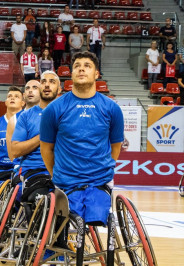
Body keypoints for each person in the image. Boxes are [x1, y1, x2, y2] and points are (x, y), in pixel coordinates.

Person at [40, 51, 124, 232]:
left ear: (96, 74)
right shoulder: (54, 109)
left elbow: (116, 146)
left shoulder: (112, 108)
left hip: (99, 181)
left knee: (97, 219)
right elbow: (46, 148)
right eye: (77, 66)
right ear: (71, 73)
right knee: (64, 226)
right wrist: (57, 174)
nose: (81, 69)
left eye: (87, 66)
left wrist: (103, 167)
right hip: (66, 182)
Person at [11, 70, 61, 202]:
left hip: (63, 170)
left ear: (59, 88)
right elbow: (15, 151)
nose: (47, 85)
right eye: (43, 82)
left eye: (52, 82)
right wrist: (43, 136)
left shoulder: (67, 113)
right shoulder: (26, 116)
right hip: (35, 171)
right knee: (40, 202)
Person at [0, 87, 25, 190]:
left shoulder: (27, 121)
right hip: (3, 167)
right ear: (6, 102)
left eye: (16, 97)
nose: (12, 98)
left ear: (23, 102)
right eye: (9, 96)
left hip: (22, 166)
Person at [6, 80, 41, 161]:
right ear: (24, 95)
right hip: (23, 168)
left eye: (35, 88)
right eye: (27, 88)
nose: (30, 90)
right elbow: (12, 154)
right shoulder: (14, 120)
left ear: (41, 92)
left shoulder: (49, 114)